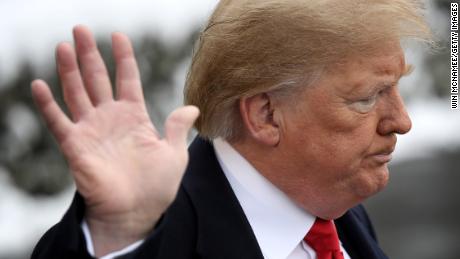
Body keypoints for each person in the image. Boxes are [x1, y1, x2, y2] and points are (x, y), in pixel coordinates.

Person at [31, 0, 433, 258]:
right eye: (367, 97)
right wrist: (115, 232)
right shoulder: (164, 235)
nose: (402, 120)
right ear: (266, 115)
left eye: (397, 87)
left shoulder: (337, 210)